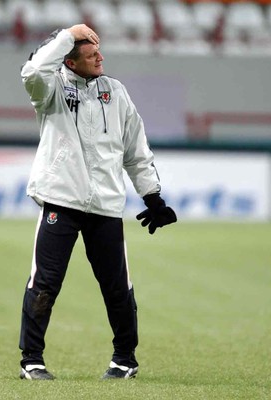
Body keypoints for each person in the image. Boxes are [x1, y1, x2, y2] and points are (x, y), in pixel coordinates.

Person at [18, 24, 177, 381]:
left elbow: (136, 150)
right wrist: (66, 35)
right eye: (91, 56)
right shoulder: (50, 89)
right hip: (61, 200)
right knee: (44, 283)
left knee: (118, 287)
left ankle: (125, 360)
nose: (100, 58)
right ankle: (32, 360)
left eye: (99, 52)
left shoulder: (116, 92)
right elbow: (32, 70)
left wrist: (152, 197)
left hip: (105, 207)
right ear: (70, 62)